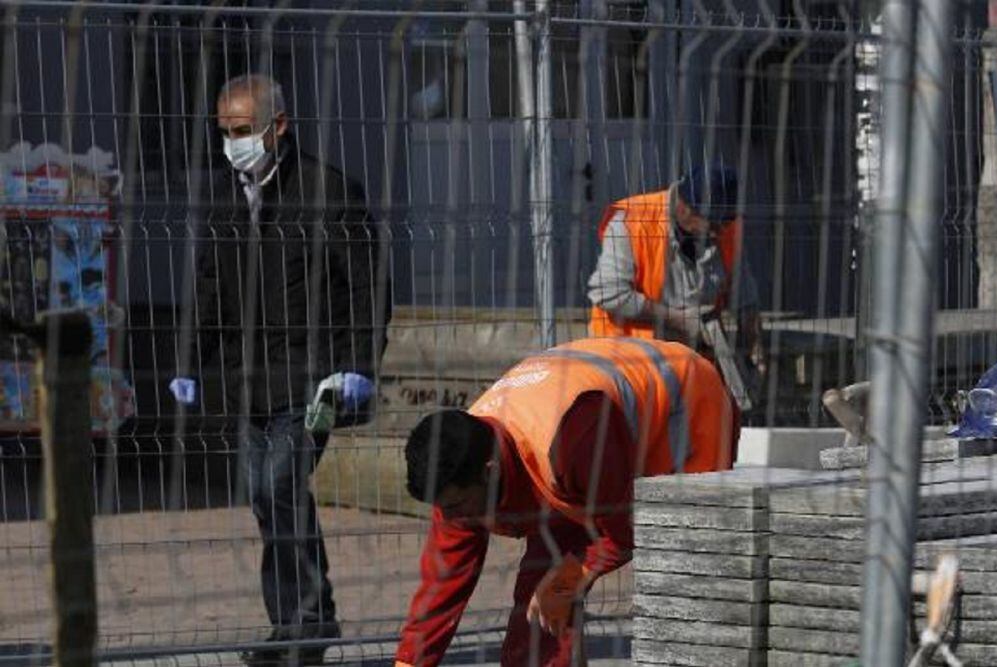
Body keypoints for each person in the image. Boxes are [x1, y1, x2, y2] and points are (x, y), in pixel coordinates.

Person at [169, 73, 391, 666]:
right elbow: (209, 285)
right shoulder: (224, 196)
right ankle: (295, 624)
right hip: (248, 380)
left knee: (281, 487)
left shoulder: (327, 191)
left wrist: (358, 366)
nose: (233, 145)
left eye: (243, 131)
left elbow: (367, 288)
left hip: (313, 380)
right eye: (225, 133)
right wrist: (189, 362)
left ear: (279, 127)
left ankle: (309, 624)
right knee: (266, 503)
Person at [393, 337, 739, 667]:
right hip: (588, 461)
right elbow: (441, 589)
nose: (450, 517)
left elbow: (627, 528)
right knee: (541, 611)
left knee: (687, 576)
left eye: (455, 506)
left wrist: (570, 579)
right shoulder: (458, 473)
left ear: (490, 472)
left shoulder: (573, 438)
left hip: (688, 407)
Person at [586, 160, 763, 407]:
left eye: (724, 223)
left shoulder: (726, 227)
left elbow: (744, 296)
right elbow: (608, 293)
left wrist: (752, 347)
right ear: (684, 208)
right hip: (628, 361)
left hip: (692, 362)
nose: (718, 231)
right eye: (713, 224)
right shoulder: (631, 222)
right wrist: (679, 319)